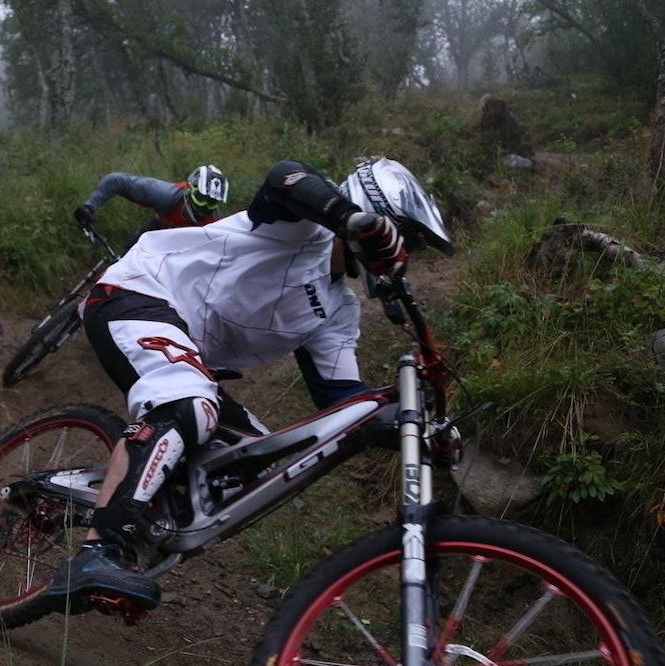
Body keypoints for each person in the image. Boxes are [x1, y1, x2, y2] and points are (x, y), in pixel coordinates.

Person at [41, 157, 455, 614]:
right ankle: (98, 551)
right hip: (136, 293)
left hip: (185, 350)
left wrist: (411, 425)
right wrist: (351, 219)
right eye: (407, 237)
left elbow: (342, 402)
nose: (404, 253)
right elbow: (286, 176)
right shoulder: (297, 225)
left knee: (254, 459)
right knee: (191, 405)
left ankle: (135, 526)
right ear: (377, 212)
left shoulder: (339, 310)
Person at [74, 165, 230, 251]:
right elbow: (118, 181)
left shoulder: (214, 226)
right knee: (121, 263)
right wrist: (89, 207)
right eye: (201, 199)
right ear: (190, 190)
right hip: (155, 230)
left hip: (180, 249)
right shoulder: (166, 196)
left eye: (212, 203)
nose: (205, 207)